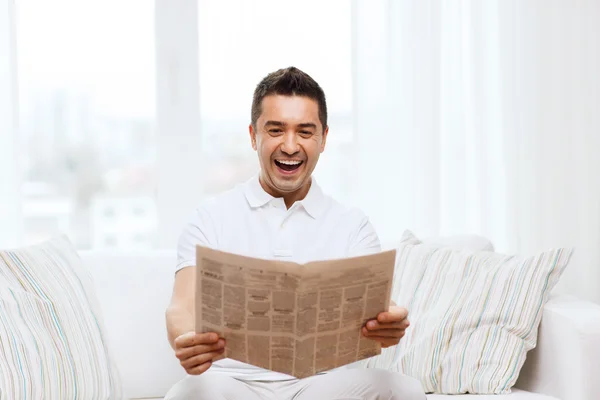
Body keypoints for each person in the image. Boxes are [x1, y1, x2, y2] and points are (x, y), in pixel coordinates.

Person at [164, 67, 426, 400]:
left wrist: (391, 322)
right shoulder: (210, 218)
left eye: (305, 131)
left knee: (403, 390)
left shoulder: (352, 224)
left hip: (323, 385)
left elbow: (380, 305)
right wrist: (185, 337)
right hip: (233, 384)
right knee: (186, 395)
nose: (290, 146)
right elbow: (180, 306)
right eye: (276, 130)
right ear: (253, 135)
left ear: (323, 138)